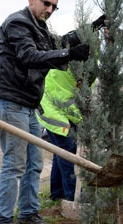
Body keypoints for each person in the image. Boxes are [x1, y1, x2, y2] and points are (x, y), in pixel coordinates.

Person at [0, 0, 100, 224]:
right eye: (45, 3)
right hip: (10, 102)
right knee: (15, 164)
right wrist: (70, 54)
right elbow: (29, 56)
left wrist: (92, 28)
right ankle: (3, 219)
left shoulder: (39, 28)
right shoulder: (18, 23)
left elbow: (59, 41)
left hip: (28, 105)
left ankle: (28, 214)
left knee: (34, 163)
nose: (49, 10)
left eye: (54, 7)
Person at [37, 67, 83, 205]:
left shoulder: (78, 68)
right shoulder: (70, 70)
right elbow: (67, 101)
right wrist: (81, 120)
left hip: (56, 107)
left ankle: (57, 193)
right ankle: (73, 195)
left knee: (60, 152)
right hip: (53, 110)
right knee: (67, 152)